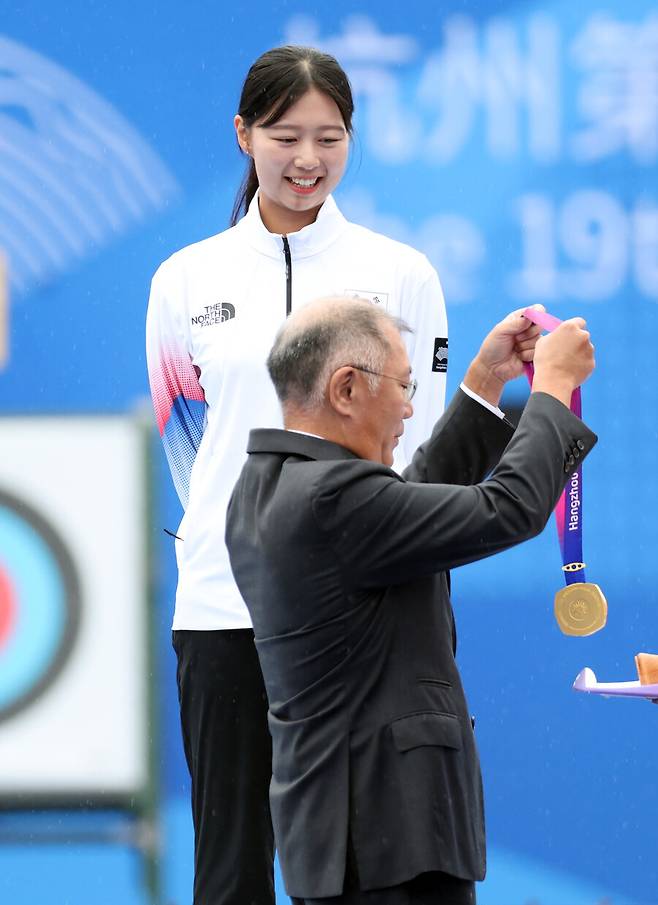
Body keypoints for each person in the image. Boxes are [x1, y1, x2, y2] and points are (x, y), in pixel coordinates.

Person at [145, 46, 450, 905]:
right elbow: (189, 450)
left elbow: (418, 448)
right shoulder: (185, 281)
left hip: (362, 620)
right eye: (285, 136)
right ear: (243, 134)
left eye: (330, 137)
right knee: (232, 868)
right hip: (224, 607)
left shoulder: (400, 274)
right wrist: (248, 545)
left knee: (368, 867)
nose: (308, 159)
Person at [225, 297, 597, 905]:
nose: (408, 406)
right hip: (389, 842)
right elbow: (508, 509)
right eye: (404, 385)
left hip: (352, 841)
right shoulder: (333, 499)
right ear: (346, 389)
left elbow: (404, 508)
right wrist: (551, 388)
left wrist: (483, 385)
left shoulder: (270, 489)